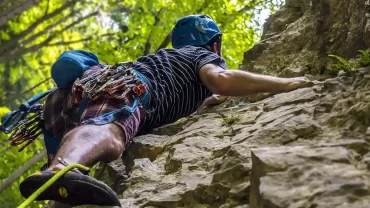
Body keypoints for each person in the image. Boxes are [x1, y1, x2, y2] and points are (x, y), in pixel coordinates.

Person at [14, 14, 309, 207]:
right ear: (213, 44)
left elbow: (198, 98)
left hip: (65, 101)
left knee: (61, 191)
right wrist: (285, 84)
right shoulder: (201, 55)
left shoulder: (169, 64)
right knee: (112, 135)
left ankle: (57, 179)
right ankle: (59, 168)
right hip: (124, 87)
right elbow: (221, 80)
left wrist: (209, 102)